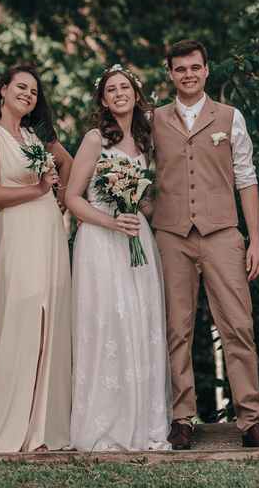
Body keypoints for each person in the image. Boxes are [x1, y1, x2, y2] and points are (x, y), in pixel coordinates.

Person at [150, 39, 259, 450]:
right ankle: (180, 417)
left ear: (207, 70)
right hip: (171, 236)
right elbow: (135, 171)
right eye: (180, 68)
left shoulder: (229, 116)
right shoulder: (151, 120)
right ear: (170, 74)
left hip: (223, 233)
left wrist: (254, 239)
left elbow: (246, 177)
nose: (188, 74)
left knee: (238, 325)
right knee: (175, 329)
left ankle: (251, 420)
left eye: (195, 67)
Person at [65, 64, 172, 452]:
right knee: (107, 325)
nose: (119, 94)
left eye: (124, 87)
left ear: (135, 93)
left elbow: (144, 201)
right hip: (101, 239)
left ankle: (141, 419)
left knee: (140, 323)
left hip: (135, 239)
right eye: (111, 90)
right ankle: (103, 421)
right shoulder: (95, 139)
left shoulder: (145, 141)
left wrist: (148, 209)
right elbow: (72, 198)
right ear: (103, 99)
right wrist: (111, 221)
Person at [0, 65, 74, 453]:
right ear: (4, 91)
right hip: (18, 230)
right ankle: (13, 428)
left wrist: (62, 198)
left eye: (34, 90)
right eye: (21, 87)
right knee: (26, 322)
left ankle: (44, 431)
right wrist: (40, 189)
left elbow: (70, 163)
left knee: (52, 325)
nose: (28, 94)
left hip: (49, 229)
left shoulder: (38, 133)